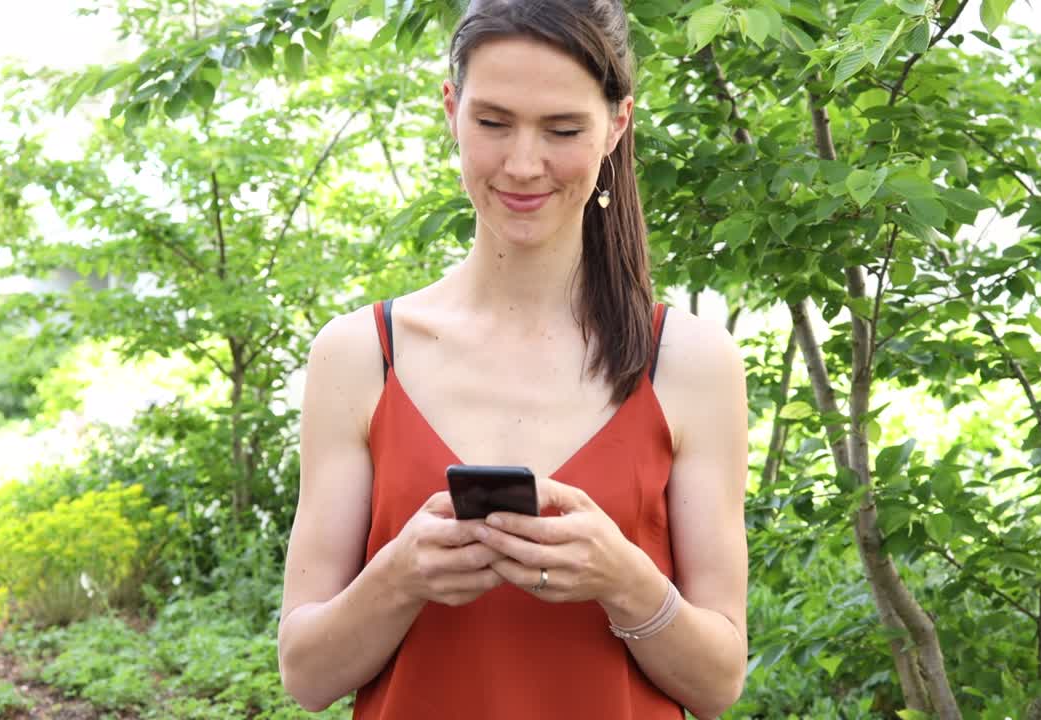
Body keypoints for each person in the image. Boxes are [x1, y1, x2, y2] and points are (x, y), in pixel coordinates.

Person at [277, 1, 748, 718]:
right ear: (451, 110)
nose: (523, 165)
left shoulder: (687, 362)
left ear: (617, 125)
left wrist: (624, 579)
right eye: (493, 123)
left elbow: (717, 685)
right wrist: (399, 576)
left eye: (562, 130)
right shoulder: (360, 356)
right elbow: (307, 678)